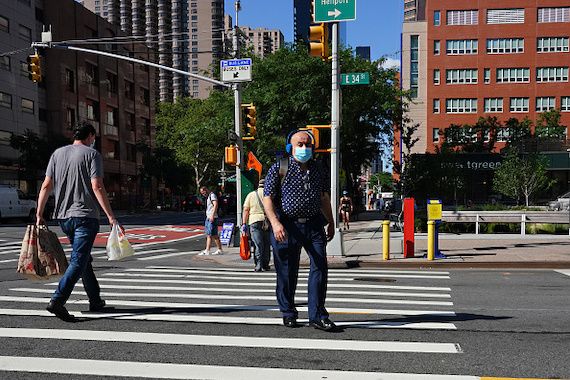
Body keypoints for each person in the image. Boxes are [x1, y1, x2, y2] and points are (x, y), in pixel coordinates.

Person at [35, 121, 119, 322]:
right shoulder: (92, 154)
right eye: (94, 137)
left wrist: (39, 213)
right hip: (85, 216)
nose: (94, 141)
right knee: (79, 260)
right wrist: (110, 215)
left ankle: (95, 301)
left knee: (84, 259)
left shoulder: (57, 154)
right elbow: (97, 186)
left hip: (63, 217)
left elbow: (46, 185)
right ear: (90, 136)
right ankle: (57, 300)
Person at [263, 130, 336, 331]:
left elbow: (323, 198)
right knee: (287, 272)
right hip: (287, 226)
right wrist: (276, 223)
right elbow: (267, 197)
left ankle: (318, 315)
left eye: (308, 145)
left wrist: (330, 221)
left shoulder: (319, 168)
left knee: (320, 266)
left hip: (314, 224)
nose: (305, 148)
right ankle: (288, 313)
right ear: (290, 147)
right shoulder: (280, 167)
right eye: (300, 145)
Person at [242, 178, 271, 272]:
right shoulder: (269, 195)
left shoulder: (251, 195)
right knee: (266, 243)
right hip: (267, 221)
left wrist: (244, 223)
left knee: (258, 244)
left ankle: (258, 264)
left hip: (254, 221)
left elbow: (246, 210)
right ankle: (266, 264)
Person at [198, 186, 223, 255]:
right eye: (202, 193)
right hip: (209, 217)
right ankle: (219, 249)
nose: (203, 194)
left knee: (209, 234)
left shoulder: (212, 195)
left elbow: (215, 205)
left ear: (206, 190)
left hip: (211, 217)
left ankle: (207, 250)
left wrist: (212, 215)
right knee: (214, 234)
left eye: (203, 192)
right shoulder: (209, 196)